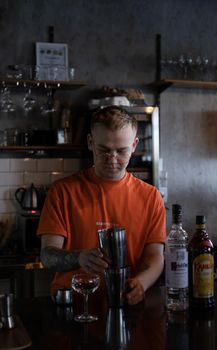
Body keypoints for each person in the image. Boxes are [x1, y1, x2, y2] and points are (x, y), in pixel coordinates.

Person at [37, 105, 166, 306]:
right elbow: (47, 255)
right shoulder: (62, 192)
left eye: (121, 151)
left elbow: (155, 256)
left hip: (126, 304)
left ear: (134, 146)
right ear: (90, 142)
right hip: (73, 305)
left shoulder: (151, 197)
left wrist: (142, 283)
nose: (112, 159)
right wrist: (78, 258)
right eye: (103, 150)